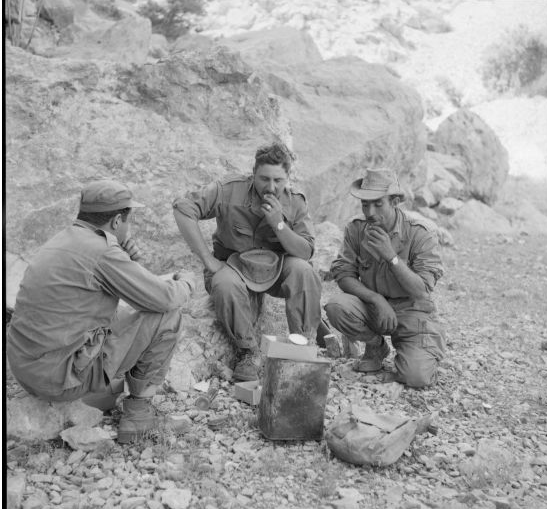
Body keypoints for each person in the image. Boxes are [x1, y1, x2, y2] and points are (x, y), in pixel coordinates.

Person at [7, 180, 196, 443]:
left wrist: (128, 262)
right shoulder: (103, 251)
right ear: (117, 221)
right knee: (168, 316)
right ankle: (138, 414)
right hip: (58, 379)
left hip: (26, 370)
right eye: (128, 221)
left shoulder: (62, 240)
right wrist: (187, 281)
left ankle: (101, 392)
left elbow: (119, 295)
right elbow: (163, 299)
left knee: (122, 311)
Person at [173, 142, 322, 382]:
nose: (271, 187)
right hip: (234, 265)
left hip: (276, 266)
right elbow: (183, 209)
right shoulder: (229, 190)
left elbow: (305, 252)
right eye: (264, 179)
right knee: (224, 284)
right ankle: (248, 352)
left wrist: (278, 224)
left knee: (304, 271)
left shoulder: (295, 202)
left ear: (288, 177)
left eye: (278, 181)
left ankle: (301, 347)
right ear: (253, 174)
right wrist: (207, 259)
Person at [324, 168, 445, 388]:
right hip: (374, 307)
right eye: (365, 204)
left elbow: (421, 290)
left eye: (378, 204)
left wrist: (390, 256)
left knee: (416, 378)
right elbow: (343, 273)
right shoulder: (356, 229)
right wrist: (375, 299)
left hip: (412, 311)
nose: (370, 212)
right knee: (336, 307)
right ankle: (376, 346)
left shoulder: (420, 233)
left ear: (395, 201)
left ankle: (415, 352)